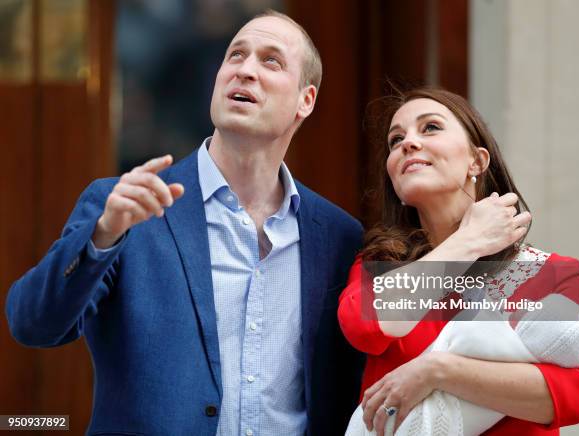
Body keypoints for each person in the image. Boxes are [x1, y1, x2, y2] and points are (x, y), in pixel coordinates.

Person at [6, 10, 364, 436]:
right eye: (236, 55)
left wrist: (464, 246)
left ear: (306, 100)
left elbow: (384, 350)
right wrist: (102, 237)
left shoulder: (339, 236)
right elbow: (33, 324)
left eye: (271, 61)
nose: (245, 70)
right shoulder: (124, 208)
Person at [338, 87, 579, 435]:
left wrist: (437, 372)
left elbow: (576, 393)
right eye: (395, 139)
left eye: (430, 127)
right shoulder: (378, 264)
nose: (408, 143)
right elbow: (365, 326)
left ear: (477, 161)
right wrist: (467, 241)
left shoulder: (549, 272)